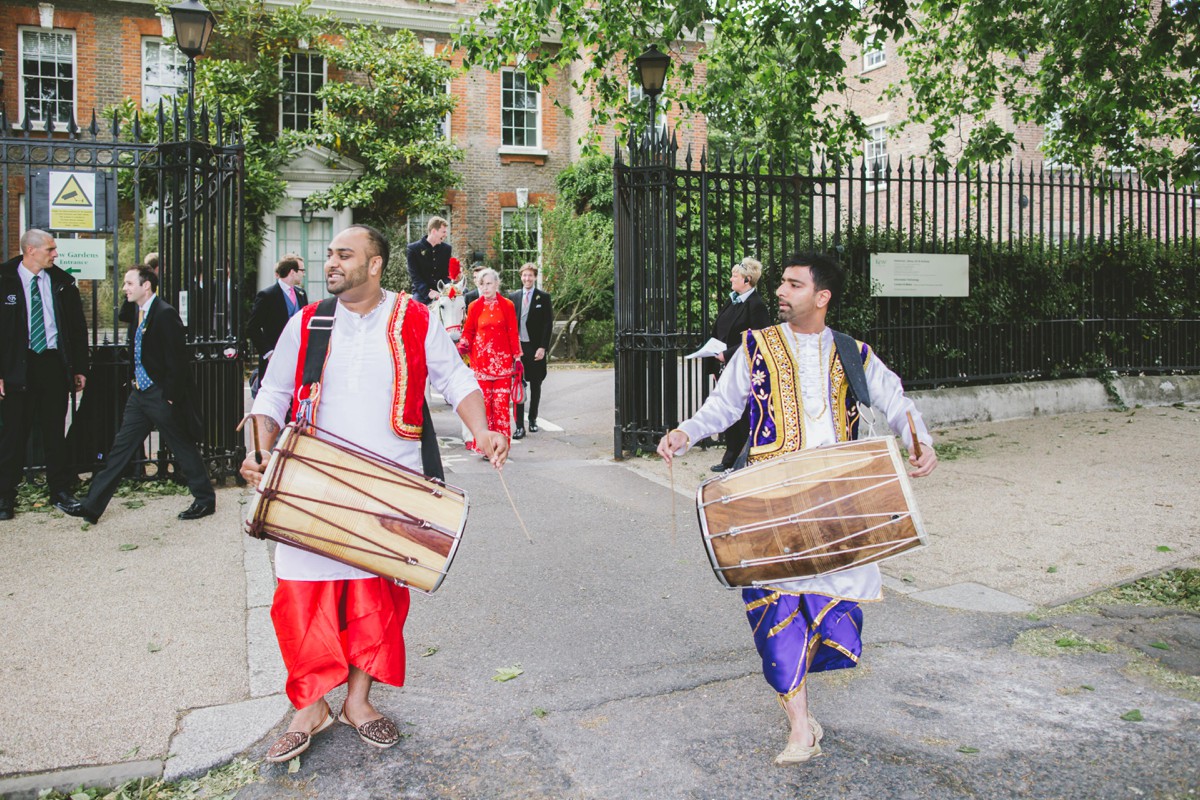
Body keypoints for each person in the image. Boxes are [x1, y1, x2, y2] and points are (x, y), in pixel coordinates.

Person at [240, 224, 508, 764]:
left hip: (392, 482)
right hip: (314, 482)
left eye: (345, 255)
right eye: (331, 255)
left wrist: (483, 430)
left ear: (376, 264)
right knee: (300, 594)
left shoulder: (413, 318)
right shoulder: (308, 321)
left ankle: (358, 703)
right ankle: (310, 706)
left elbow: (455, 379)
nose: (331, 262)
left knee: (374, 599)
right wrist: (258, 448)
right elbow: (271, 393)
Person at [657, 253, 938, 766]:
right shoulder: (756, 345)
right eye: (781, 283)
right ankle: (799, 726)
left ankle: (801, 710)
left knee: (828, 611)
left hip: (837, 503)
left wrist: (920, 439)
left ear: (822, 296)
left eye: (793, 284)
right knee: (774, 608)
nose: (781, 292)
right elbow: (724, 404)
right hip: (771, 500)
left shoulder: (853, 352)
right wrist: (685, 431)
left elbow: (892, 397)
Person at [65, 267, 216, 524]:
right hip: (139, 394)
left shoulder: (165, 314)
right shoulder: (138, 311)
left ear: (147, 286)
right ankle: (92, 506)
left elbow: (177, 361)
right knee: (120, 450)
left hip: (159, 394)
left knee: (182, 446)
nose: (124, 288)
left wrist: (169, 396)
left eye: (129, 283)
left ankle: (205, 500)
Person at [0, 229, 90, 520]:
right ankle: (5, 497)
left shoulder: (62, 283)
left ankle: (60, 492)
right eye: (50, 249)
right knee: (13, 435)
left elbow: (77, 330)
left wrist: (79, 368)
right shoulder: (4, 281)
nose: (55, 254)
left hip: (52, 364)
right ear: (30, 250)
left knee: (55, 432)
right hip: (18, 366)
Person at [706, 256, 772, 472]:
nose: (731, 279)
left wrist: (728, 354)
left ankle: (739, 459)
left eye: (735, 276)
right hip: (724, 366)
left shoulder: (757, 305)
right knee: (728, 410)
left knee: (742, 414)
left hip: (743, 367)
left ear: (747, 280)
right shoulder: (733, 299)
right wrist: (714, 365)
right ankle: (730, 458)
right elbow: (718, 331)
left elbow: (759, 338)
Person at [457, 268, 521, 453]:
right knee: (484, 407)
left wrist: (517, 357)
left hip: (503, 365)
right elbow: (468, 332)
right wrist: (462, 346)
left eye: (489, 284)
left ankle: (501, 446)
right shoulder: (474, 306)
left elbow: (512, 332)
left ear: (496, 284)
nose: (485, 288)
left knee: (500, 407)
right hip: (481, 364)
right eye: (482, 284)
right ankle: (486, 447)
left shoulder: (507, 305)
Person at [246, 254, 308, 385]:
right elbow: (252, 327)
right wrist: (269, 353)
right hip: (274, 358)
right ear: (292, 272)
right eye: (302, 270)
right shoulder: (267, 295)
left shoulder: (301, 294)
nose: (304, 274)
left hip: (297, 357)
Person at [508, 263, 553, 439]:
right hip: (519, 348)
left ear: (534, 277)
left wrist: (543, 347)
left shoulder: (543, 297)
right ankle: (519, 426)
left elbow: (547, 324)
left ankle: (533, 419)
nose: (527, 279)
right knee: (518, 386)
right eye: (524, 275)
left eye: (530, 276)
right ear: (521, 277)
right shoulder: (513, 297)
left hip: (535, 348)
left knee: (535, 385)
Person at [405, 216, 451, 305]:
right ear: (434, 231)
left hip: (441, 291)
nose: (445, 235)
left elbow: (446, 274)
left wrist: (445, 289)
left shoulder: (447, 249)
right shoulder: (413, 249)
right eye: (443, 232)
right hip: (421, 293)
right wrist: (428, 293)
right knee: (414, 311)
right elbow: (415, 276)